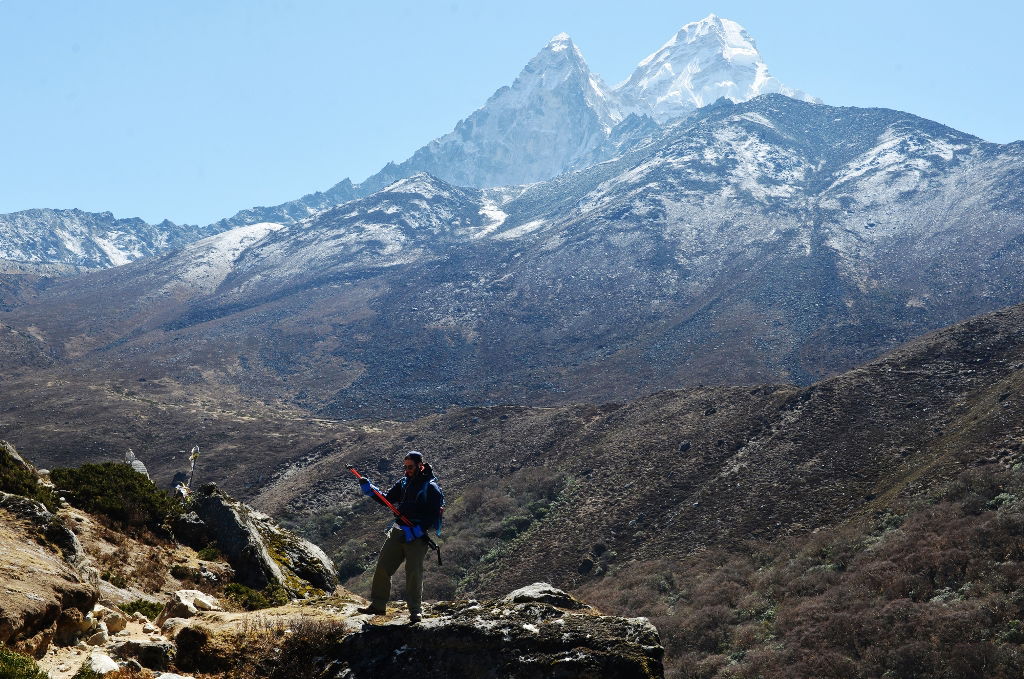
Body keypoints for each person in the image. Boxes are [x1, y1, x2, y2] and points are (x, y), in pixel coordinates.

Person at [356, 451, 444, 623]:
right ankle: (378, 605)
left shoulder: (431, 486)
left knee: (413, 573)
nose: (407, 470)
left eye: (410, 467)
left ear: (420, 465)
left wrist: (419, 529)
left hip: (417, 537)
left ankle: (415, 611)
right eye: (405, 467)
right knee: (382, 567)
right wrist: (371, 489)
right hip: (397, 531)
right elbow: (387, 499)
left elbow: (434, 514)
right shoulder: (403, 482)